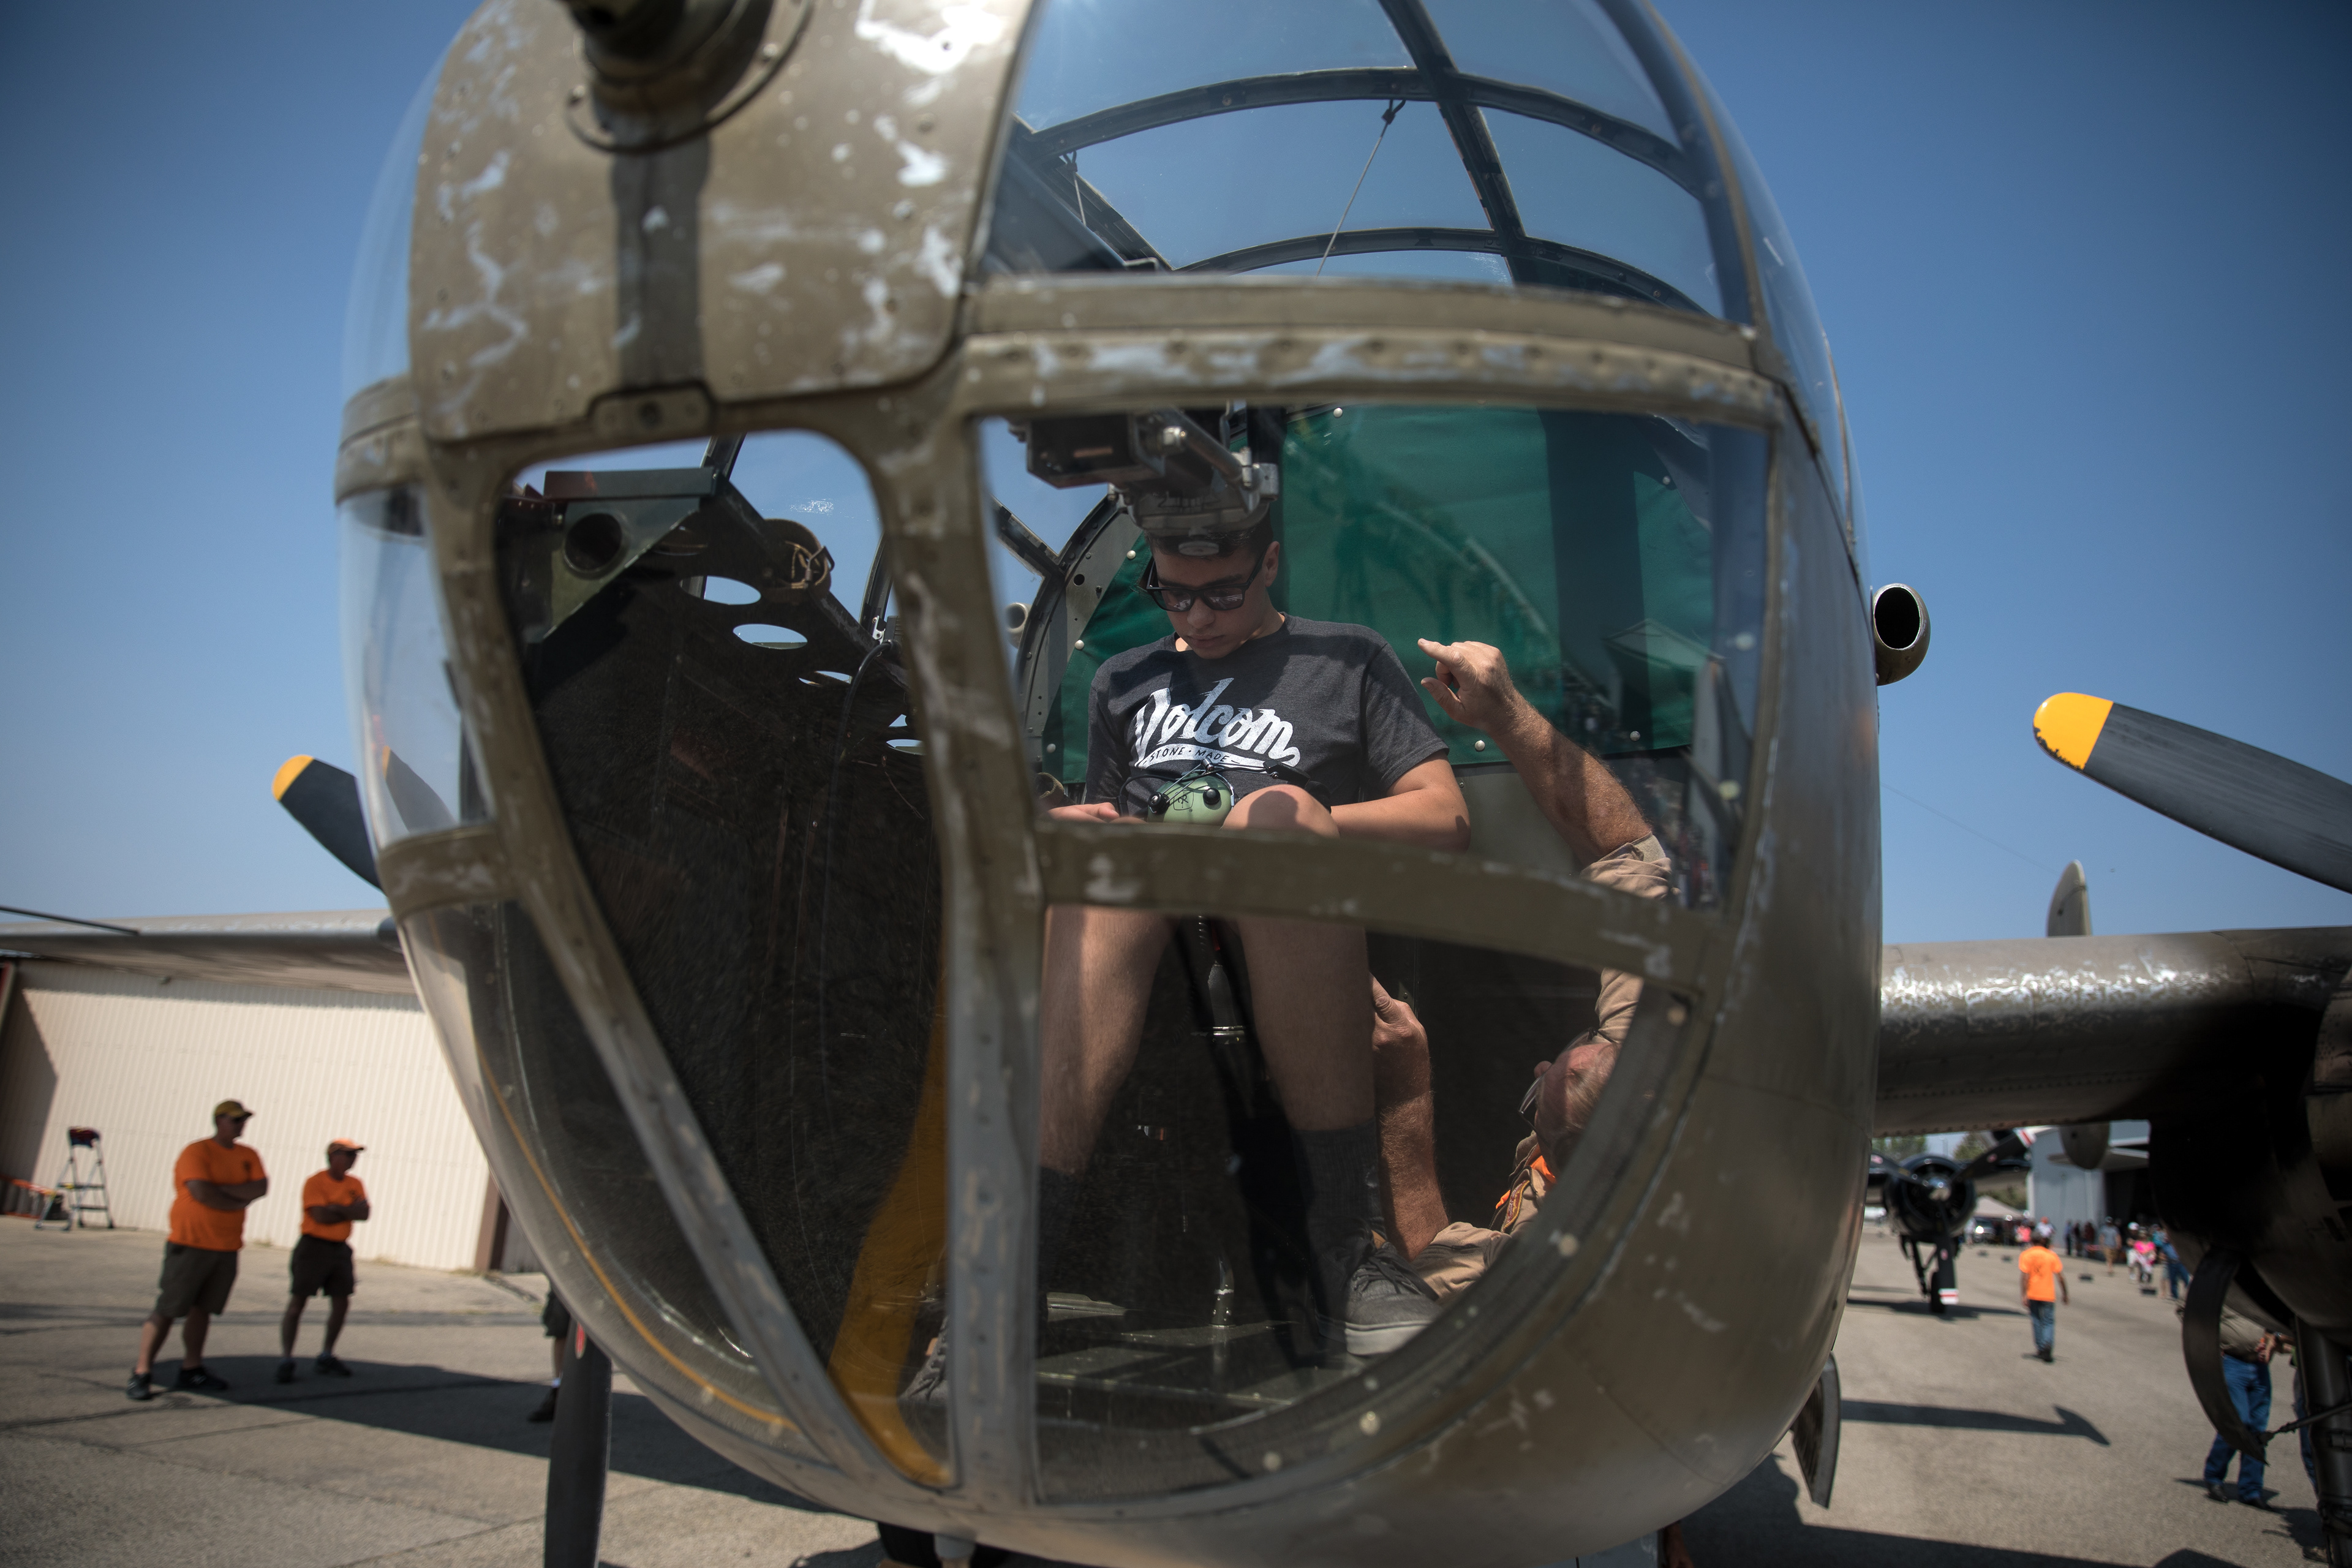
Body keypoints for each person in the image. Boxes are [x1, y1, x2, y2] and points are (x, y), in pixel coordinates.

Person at [1038, 517, 1471, 1354]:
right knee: (1109, 850)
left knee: (1281, 817)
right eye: (1174, 594)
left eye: (1224, 593)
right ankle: (1011, 1273)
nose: (1197, 618)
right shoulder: (1123, 679)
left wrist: (1284, 828)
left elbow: (1445, 816)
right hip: (1155, 938)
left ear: (1271, 561)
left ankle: (1343, 1250)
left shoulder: (1346, 658)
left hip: (1294, 912)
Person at [129, 1100, 269, 1400]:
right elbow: (201, 1192)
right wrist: (235, 1197)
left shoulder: (249, 1155)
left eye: (243, 1120)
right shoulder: (197, 1151)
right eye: (235, 1120)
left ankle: (192, 1368)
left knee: (203, 1309)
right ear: (219, 1121)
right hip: (191, 1243)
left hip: (226, 1246)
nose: (240, 1125)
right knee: (168, 1308)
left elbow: (259, 1188)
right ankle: (142, 1371)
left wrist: (223, 1192)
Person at [276, 1139, 370, 1382]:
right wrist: (347, 1210)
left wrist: (337, 1208)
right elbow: (319, 1216)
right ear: (333, 1156)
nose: (352, 1159)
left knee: (341, 1302)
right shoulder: (315, 1182)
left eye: (354, 1155)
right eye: (348, 1154)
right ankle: (287, 1357)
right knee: (298, 1302)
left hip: (340, 1248)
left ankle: (327, 1353)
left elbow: (364, 1213)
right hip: (314, 1246)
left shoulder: (355, 1183)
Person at [2199, 1305, 2277, 1509]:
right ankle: (2214, 1476)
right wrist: (2213, 1341)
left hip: (2260, 1366)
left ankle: (2251, 1489)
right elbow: (2187, 1310)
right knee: (2237, 1420)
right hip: (2233, 1362)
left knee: (2258, 1429)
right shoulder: (2227, 1289)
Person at [2018, 1232, 2068, 1362]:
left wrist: (2024, 1294)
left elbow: (2025, 1277)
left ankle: (2040, 1348)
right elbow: (2060, 1276)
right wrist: (2065, 1293)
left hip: (2033, 1293)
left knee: (2036, 1320)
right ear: (2042, 1241)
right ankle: (2047, 1345)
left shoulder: (2026, 1255)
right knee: (2048, 1322)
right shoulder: (2051, 1255)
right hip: (2048, 1294)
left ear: (2031, 1241)